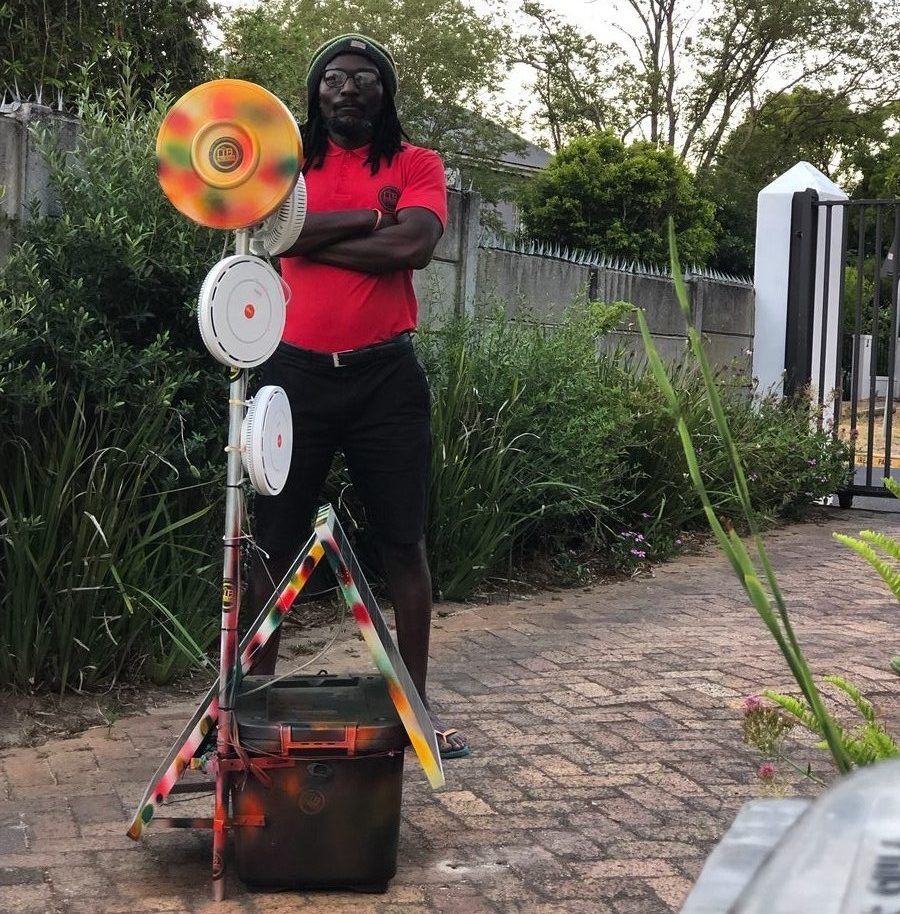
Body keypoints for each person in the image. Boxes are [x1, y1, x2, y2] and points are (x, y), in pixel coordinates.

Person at [247, 33, 468, 760]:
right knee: (271, 545)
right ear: (315, 94)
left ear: (385, 94)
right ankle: (250, 702)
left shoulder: (417, 164)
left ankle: (419, 706)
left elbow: (414, 247)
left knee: (403, 543)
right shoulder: (290, 166)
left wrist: (304, 238)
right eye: (333, 79)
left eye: (364, 78)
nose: (347, 88)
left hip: (386, 380)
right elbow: (270, 232)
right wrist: (376, 219)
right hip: (293, 374)